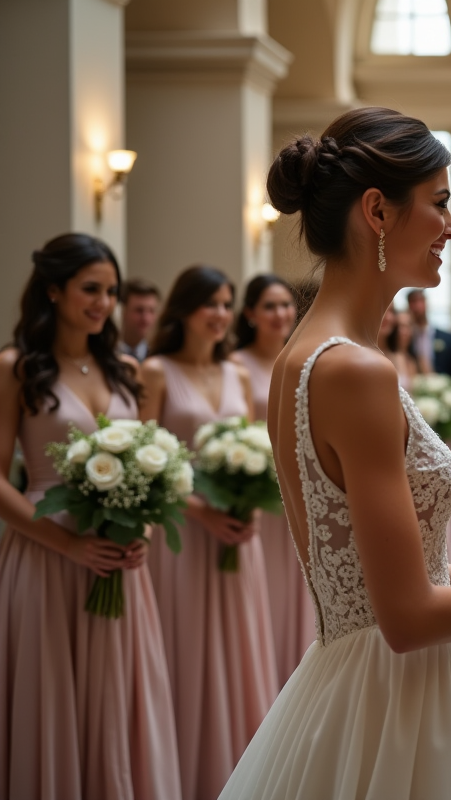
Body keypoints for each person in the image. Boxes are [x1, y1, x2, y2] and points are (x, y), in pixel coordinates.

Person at [219, 106, 451, 800]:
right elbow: (408, 618)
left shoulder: (306, 355)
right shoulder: (354, 370)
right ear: (378, 212)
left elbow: (409, 571)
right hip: (390, 702)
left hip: (358, 678)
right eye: (440, 203)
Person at [0, 233, 181, 799]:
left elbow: (155, 468)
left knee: (120, 696)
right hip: (46, 553)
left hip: (122, 560)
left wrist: (144, 528)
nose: (104, 303)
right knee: (52, 691)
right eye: (90, 289)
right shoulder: (17, 367)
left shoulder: (127, 369)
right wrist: (69, 545)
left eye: (112, 291)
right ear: (53, 290)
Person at [141, 266, 279, 800]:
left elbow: (249, 449)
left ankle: (236, 768)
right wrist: (201, 512)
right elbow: (147, 463)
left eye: (226, 304)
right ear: (184, 311)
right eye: (211, 305)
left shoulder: (236, 376)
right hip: (183, 532)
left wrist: (247, 505)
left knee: (235, 646)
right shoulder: (154, 372)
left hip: (234, 533)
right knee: (187, 644)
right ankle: (182, 769)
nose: (220, 315)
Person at [230, 275, 316, 688]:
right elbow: (239, 434)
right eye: (270, 306)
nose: (282, 314)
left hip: (299, 495)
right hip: (261, 497)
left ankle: (296, 674)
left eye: (286, 305)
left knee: (298, 590)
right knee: (266, 593)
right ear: (250, 315)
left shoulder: (301, 357)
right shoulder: (237, 365)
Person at [407, 288, 451, 376]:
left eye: (420, 301)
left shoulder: (449, 339)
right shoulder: (406, 338)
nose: (417, 306)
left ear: (426, 303)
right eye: (413, 302)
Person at [118, 276, 160, 362]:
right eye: (139, 310)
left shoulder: (160, 357)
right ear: (123, 311)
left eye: (151, 311)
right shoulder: (108, 354)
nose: (146, 318)